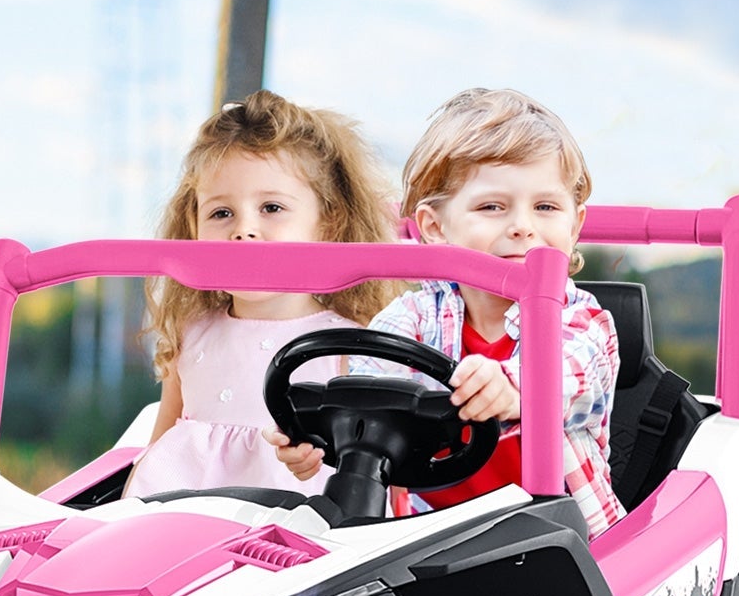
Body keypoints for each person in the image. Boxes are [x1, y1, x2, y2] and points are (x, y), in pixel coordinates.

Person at [269, 88, 625, 538]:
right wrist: (320, 437)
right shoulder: (414, 317)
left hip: (565, 541)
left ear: (574, 225)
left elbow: (570, 380)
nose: (523, 225)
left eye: (546, 207)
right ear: (435, 227)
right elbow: (368, 386)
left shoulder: (582, 321)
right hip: (431, 540)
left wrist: (512, 388)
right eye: (491, 207)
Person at [124, 90, 398, 499]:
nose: (243, 230)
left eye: (271, 208)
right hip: (175, 523)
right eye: (221, 213)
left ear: (328, 223)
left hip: (289, 537)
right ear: (193, 226)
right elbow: (161, 443)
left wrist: (316, 457)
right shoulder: (192, 332)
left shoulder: (347, 344)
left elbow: (368, 466)